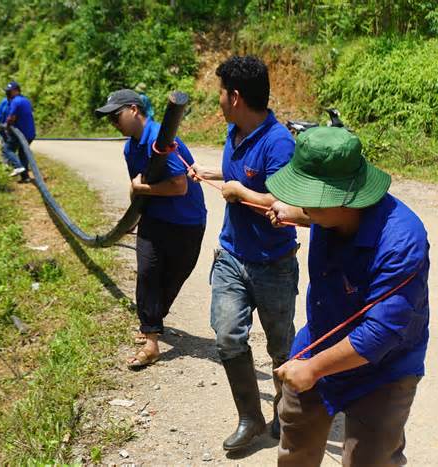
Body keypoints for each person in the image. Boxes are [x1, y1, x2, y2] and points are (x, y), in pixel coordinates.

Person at [264, 126, 430, 467]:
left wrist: (311, 369)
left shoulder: (402, 241)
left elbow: (378, 335)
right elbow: (317, 216)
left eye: (310, 200)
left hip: (385, 369)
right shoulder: (327, 216)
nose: (302, 205)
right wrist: (296, 214)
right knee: (295, 447)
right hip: (319, 340)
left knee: (370, 459)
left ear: (344, 198)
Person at [187, 55, 300, 450]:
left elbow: (287, 203)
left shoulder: (279, 143)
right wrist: (212, 173)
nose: (217, 101)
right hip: (232, 257)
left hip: (274, 265)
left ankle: (285, 413)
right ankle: (250, 417)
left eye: (220, 93)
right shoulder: (233, 133)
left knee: (281, 345)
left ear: (234, 97)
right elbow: (240, 177)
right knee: (228, 336)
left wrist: (243, 194)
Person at [95, 89, 207, 369]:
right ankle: (151, 339)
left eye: (116, 116)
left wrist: (140, 187)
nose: (114, 123)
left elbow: (179, 186)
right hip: (154, 219)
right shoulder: (130, 147)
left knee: (175, 276)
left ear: (134, 109)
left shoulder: (163, 138)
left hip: (187, 220)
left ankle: (153, 320)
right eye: (110, 120)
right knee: (147, 273)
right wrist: (134, 213)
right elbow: (139, 189)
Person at [4, 81, 35, 183]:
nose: (8, 94)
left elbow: (12, 117)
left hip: (20, 133)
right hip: (30, 133)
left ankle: (17, 166)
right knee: (23, 153)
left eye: (10, 91)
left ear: (16, 91)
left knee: (7, 149)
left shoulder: (15, 101)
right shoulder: (26, 100)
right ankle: (25, 177)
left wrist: (7, 127)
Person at [0, 90, 26, 177]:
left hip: (14, 129)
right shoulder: (4, 102)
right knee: (5, 146)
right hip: (3, 128)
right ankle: (6, 164)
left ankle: (17, 166)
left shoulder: (19, 102)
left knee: (11, 148)